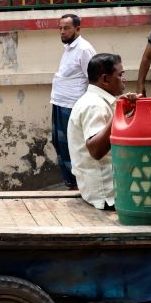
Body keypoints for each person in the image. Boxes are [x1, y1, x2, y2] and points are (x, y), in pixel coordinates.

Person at [66, 54, 137, 210]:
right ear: (105, 79)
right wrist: (120, 113)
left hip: (105, 187)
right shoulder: (94, 105)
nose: (124, 79)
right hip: (106, 193)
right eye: (120, 75)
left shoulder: (100, 101)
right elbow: (96, 150)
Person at [50, 14, 96, 190]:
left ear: (78, 29)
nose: (62, 31)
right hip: (59, 102)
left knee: (72, 147)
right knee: (59, 143)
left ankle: (79, 185)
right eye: (60, 28)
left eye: (66, 28)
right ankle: (70, 183)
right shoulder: (69, 48)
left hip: (73, 106)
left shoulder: (84, 49)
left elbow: (93, 78)